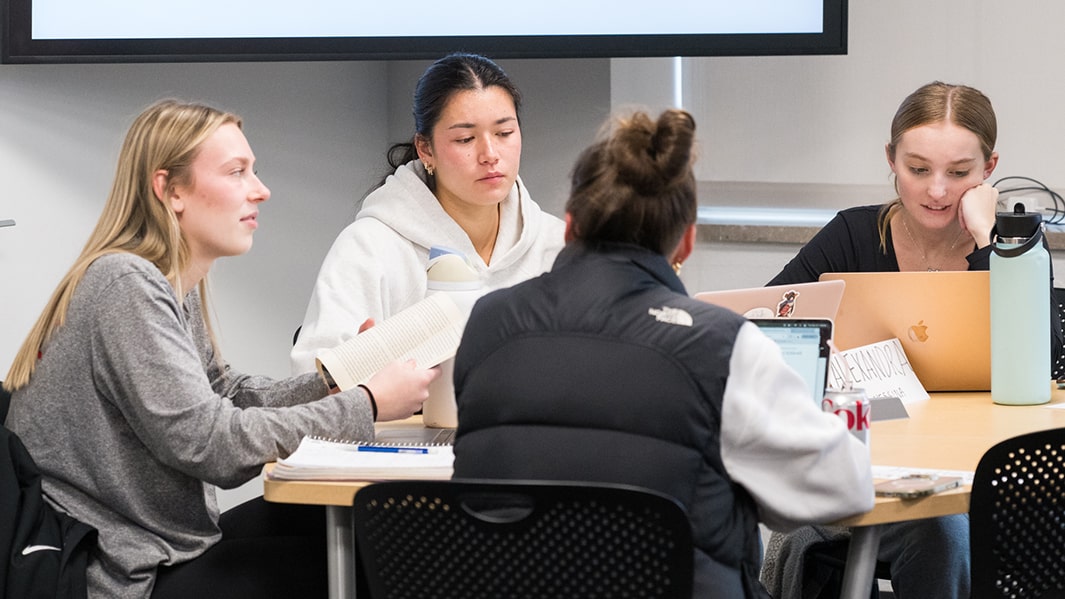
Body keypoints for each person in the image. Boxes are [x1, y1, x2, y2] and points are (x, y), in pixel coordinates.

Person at [3, 99, 437, 599]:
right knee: (373, 564)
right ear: (169, 190)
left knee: (366, 527)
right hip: (116, 571)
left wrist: (335, 379)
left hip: (155, 545)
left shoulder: (165, 282)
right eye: (237, 172)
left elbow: (222, 392)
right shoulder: (126, 284)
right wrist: (369, 403)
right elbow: (213, 445)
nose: (261, 190)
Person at [450, 108, 874, 599]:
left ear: (569, 227)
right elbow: (844, 487)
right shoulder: (722, 347)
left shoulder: (487, 324)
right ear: (686, 241)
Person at [762, 81, 1052, 599]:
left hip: (985, 472)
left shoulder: (1013, 248)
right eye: (917, 170)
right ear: (891, 160)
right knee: (937, 532)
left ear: (989, 169)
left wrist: (989, 241)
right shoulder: (851, 235)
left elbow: (1044, 355)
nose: (936, 191)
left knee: (956, 530)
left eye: (959, 173)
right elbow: (766, 325)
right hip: (876, 470)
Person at [290, 52, 565, 373]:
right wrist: (365, 371)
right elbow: (312, 380)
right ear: (425, 149)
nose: (490, 154)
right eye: (465, 138)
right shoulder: (370, 246)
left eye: (504, 133)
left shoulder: (557, 244)